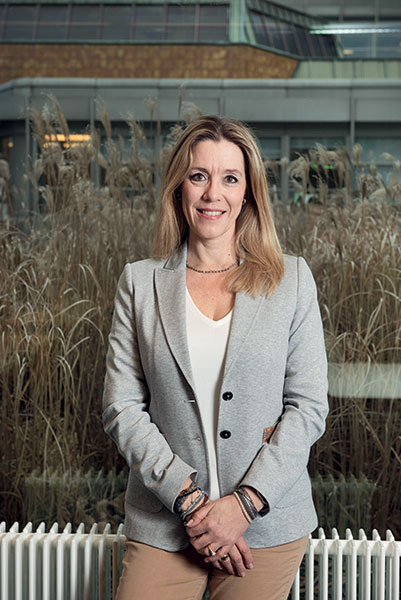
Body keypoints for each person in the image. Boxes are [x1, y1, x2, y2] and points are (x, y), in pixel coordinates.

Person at [102, 115, 328, 600]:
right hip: (166, 522)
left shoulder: (291, 280)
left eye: (230, 178)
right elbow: (122, 407)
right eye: (198, 176)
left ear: (248, 193)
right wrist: (189, 503)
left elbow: (308, 407)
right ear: (178, 187)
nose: (212, 194)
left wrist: (244, 505)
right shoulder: (139, 282)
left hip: (264, 523)